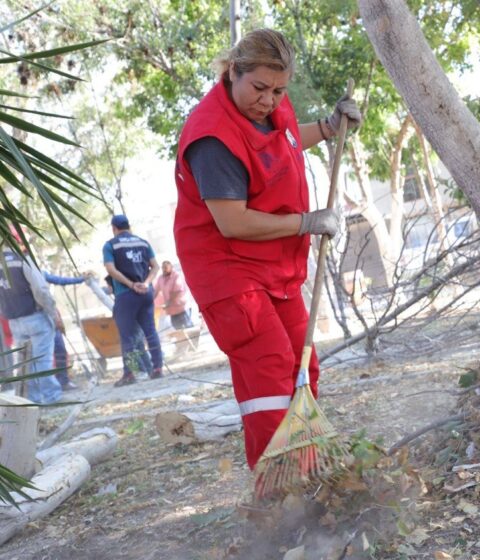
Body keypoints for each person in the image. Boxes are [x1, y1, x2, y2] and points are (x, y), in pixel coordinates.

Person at [173, 28, 361, 469]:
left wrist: (331, 128)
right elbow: (233, 222)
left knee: (302, 370)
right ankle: (280, 496)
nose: (269, 100)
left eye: (279, 90)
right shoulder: (213, 137)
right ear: (233, 72)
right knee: (272, 379)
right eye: (259, 88)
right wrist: (307, 223)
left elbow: (286, 140)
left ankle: (309, 472)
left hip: (275, 271)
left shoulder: (271, 106)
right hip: (230, 276)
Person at [102, 214, 164, 386]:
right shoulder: (143, 243)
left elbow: (111, 269)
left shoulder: (110, 245)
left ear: (114, 228)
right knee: (150, 330)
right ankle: (157, 368)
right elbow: (156, 266)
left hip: (125, 294)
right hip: (146, 293)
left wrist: (130, 284)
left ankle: (131, 373)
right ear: (128, 226)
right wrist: (145, 283)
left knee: (127, 335)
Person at [0, 244, 62, 403]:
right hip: (35, 318)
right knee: (42, 360)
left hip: (14, 320)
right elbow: (40, 290)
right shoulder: (22, 259)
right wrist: (52, 312)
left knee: (25, 363)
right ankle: (51, 398)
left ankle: (31, 401)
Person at [153, 260, 193, 329]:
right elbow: (156, 291)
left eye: (166, 268)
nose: (164, 270)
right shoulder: (161, 278)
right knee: (178, 330)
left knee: (188, 328)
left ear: (171, 267)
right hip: (171, 310)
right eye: (163, 268)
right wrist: (150, 300)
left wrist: (168, 302)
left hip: (182, 308)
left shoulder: (177, 276)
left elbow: (177, 292)